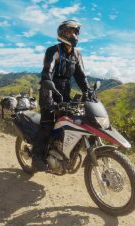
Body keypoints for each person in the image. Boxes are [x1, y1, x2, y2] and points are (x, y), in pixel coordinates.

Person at [31, 20, 90, 171]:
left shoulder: (77, 54)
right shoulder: (54, 50)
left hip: (64, 93)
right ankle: (36, 158)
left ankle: (60, 153)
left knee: (71, 122)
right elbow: (47, 71)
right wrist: (48, 92)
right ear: (62, 33)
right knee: (47, 125)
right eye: (70, 32)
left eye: (76, 32)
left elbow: (81, 77)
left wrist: (89, 91)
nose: (74, 35)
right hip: (49, 90)